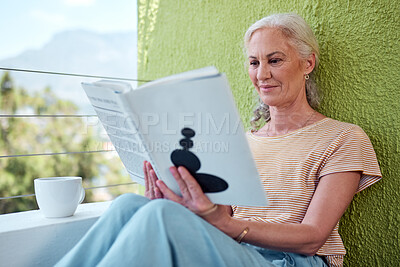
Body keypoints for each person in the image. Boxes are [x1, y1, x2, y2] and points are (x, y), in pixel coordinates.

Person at [56, 13, 381, 267]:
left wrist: (223, 225)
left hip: (291, 261)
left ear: (307, 63)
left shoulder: (343, 138)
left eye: (275, 60)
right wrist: (183, 205)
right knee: (130, 205)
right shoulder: (242, 141)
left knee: (159, 218)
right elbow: (217, 214)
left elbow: (313, 238)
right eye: (254, 62)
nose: (262, 74)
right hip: (233, 250)